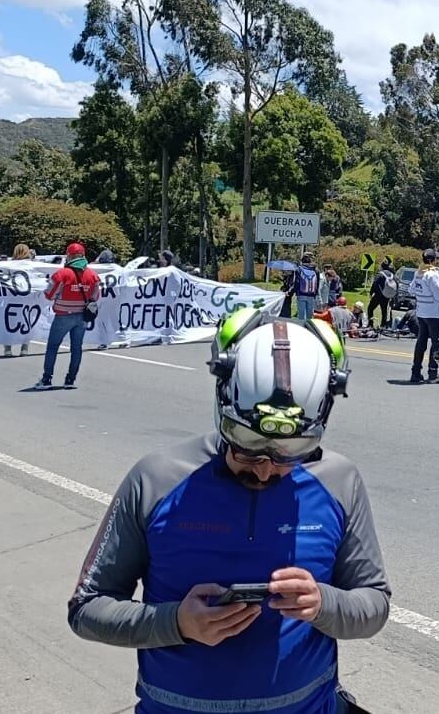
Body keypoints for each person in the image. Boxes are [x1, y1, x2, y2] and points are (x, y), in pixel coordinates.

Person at [69, 308, 387, 714]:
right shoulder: (157, 478)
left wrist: (324, 604)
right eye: (246, 445)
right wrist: (176, 623)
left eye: (292, 453)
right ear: (223, 403)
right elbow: (86, 608)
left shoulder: (340, 480)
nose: (267, 467)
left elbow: (374, 605)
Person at [37, 242, 101, 390]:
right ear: (83, 255)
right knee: (76, 348)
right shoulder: (92, 275)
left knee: (53, 347)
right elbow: (96, 296)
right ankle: (70, 380)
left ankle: (47, 379)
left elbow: (49, 295)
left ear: (69, 256)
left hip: (63, 315)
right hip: (82, 317)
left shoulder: (62, 274)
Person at [408, 249, 439, 384]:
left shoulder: (418, 273)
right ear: (432, 260)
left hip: (421, 312)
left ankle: (416, 372)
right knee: (436, 343)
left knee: (421, 342)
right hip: (434, 313)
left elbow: (411, 290)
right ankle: (433, 373)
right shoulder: (432, 275)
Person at [291, 253, 321, 322]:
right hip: (311, 295)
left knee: (301, 316)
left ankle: (301, 329)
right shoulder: (315, 270)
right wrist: (315, 294)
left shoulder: (299, 269)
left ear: (302, 260)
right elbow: (317, 284)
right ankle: (309, 329)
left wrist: (293, 292)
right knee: (309, 316)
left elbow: (296, 282)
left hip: (301, 294)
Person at [367, 259, 394, 329]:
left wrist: (371, 292)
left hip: (378, 295)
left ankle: (370, 324)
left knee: (370, 309)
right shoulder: (391, 274)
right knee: (384, 311)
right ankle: (383, 325)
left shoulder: (380, 274)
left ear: (381, 266)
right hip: (387, 295)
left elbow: (375, 283)